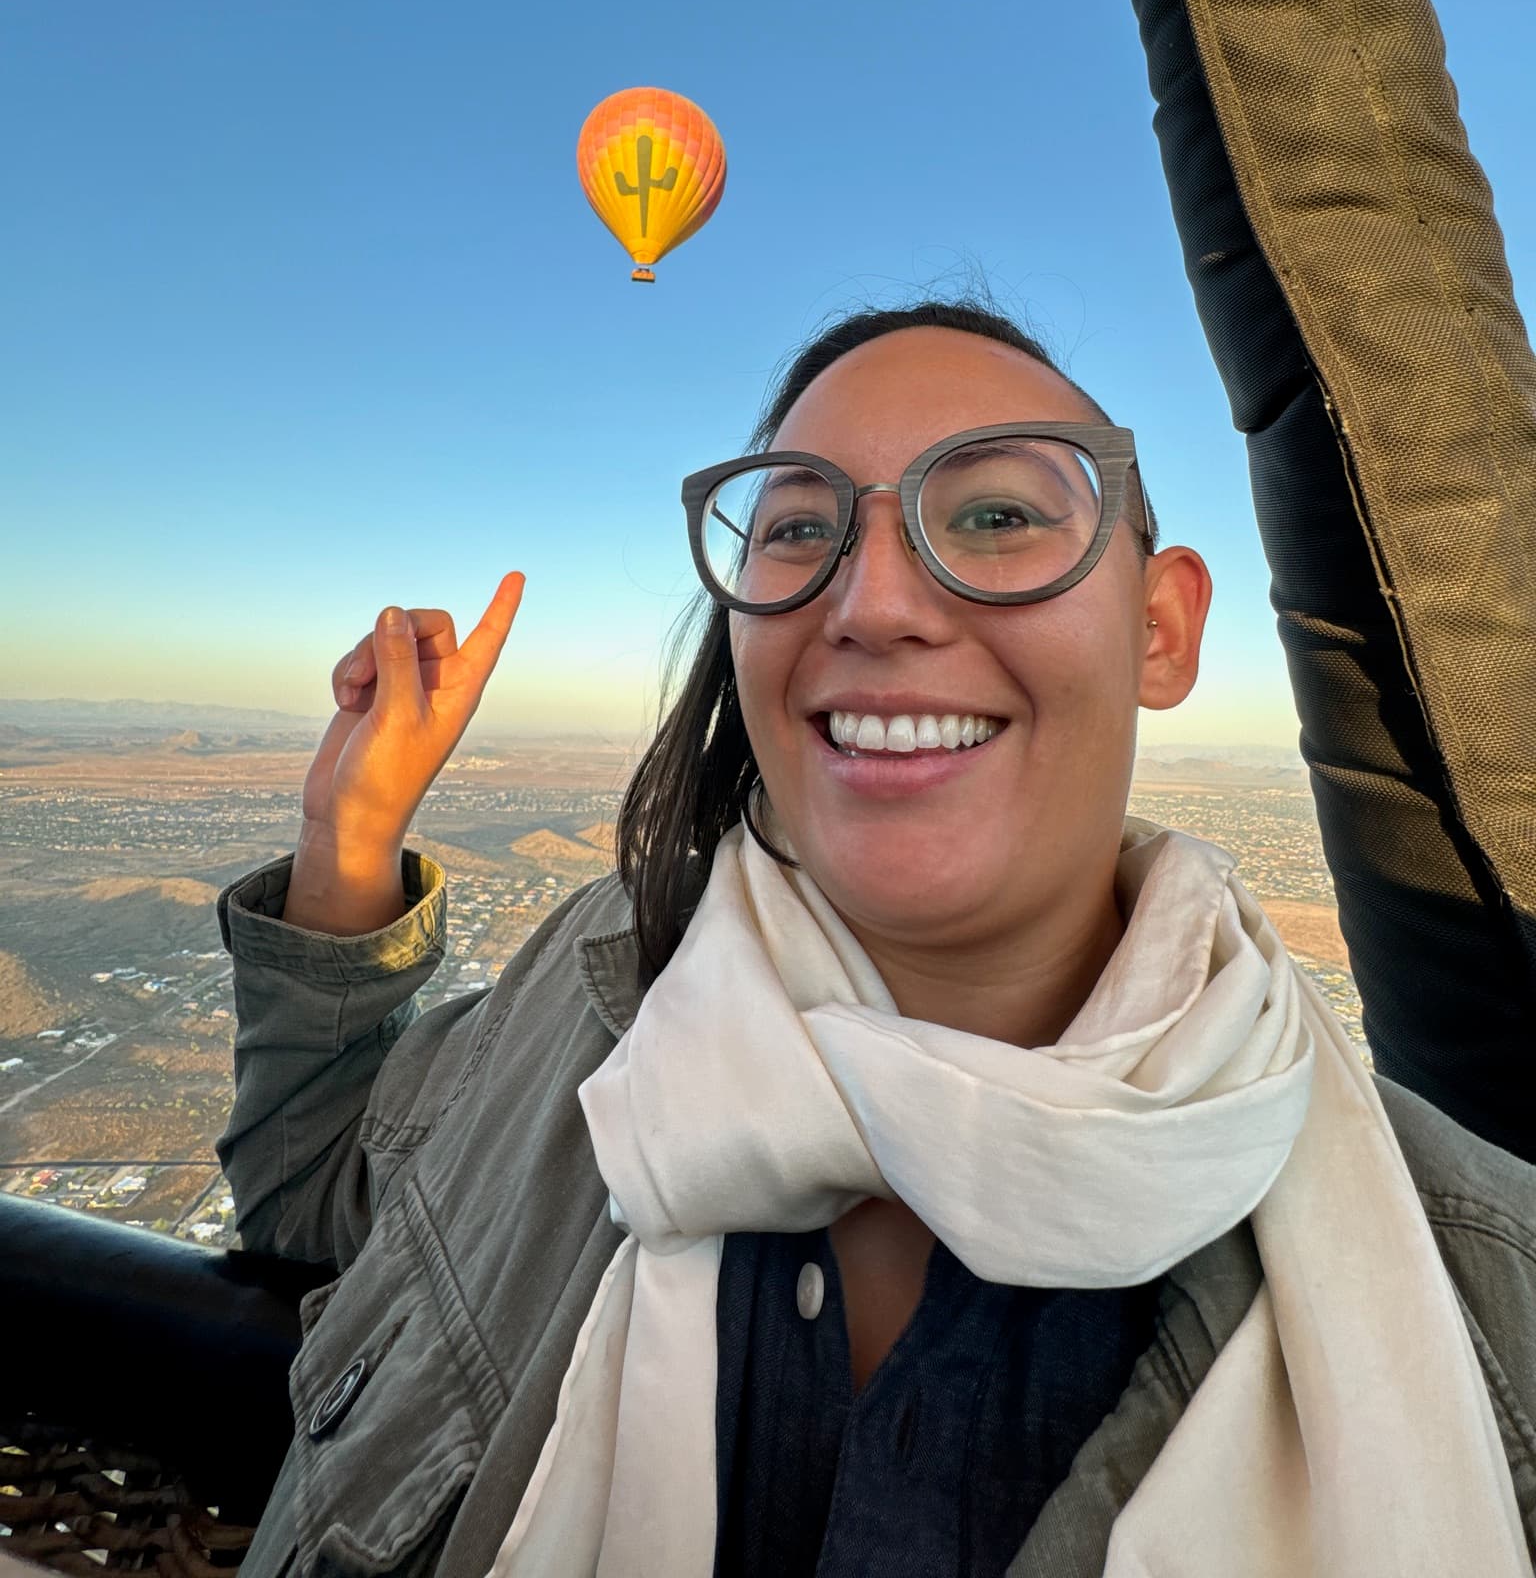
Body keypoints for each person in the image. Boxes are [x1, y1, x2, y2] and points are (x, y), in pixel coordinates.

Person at [217, 300, 1536, 1578]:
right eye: (803, 529)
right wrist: (349, 841)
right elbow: (311, 1184)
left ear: (1161, 626)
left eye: (1001, 515)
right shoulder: (587, 986)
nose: (877, 604)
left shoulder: (1485, 1297)